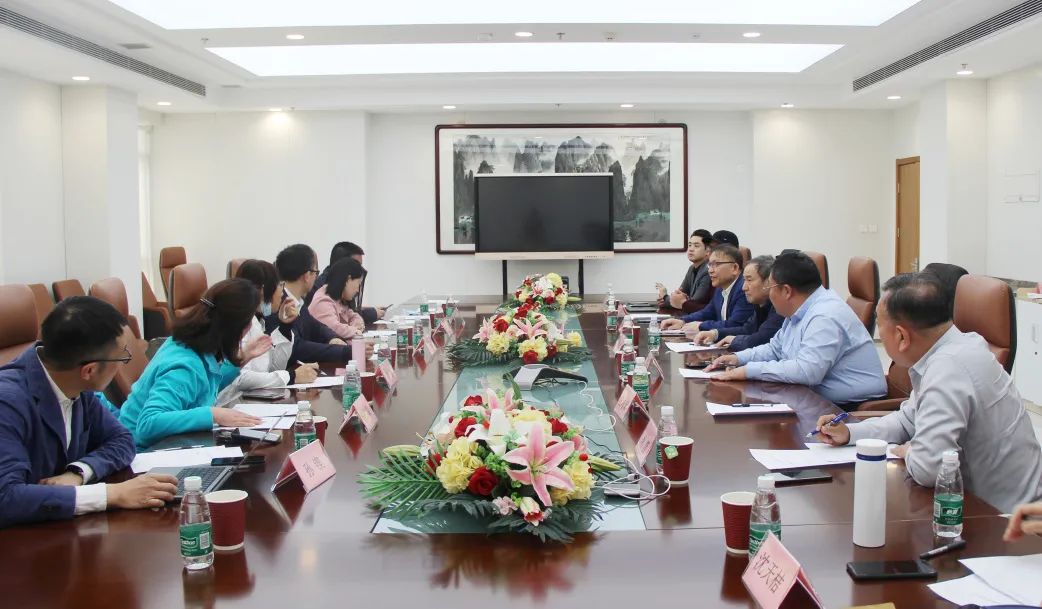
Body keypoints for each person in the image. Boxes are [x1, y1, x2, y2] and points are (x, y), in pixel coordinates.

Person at [814, 273, 1042, 514]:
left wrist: (910, 450)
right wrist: (850, 432)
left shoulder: (949, 368)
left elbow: (928, 468)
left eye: (880, 325)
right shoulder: (954, 349)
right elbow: (907, 420)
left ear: (902, 336)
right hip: (977, 503)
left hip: (1004, 519)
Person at [0, 297, 178, 527]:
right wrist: (112, 494)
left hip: (60, 527)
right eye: (122, 356)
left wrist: (78, 472)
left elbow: (122, 440)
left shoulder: (74, 384)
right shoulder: (7, 402)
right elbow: (6, 498)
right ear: (89, 371)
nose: (123, 363)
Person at [707, 251, 886, 407]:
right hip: (813, 399)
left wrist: (748, 371)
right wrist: (738, 358)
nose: (769, 294)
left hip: (848, 409)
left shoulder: (825, 315)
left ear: (787, 291)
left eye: (770, 287)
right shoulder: (799, 310)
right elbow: (775, 349)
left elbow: (807, 372)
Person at [118, 280, 271, 449]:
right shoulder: (184, 365)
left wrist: (241, 359)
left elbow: (201, 389)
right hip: (141, 453)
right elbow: (148, 423)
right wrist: (213, 415)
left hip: (170, 444)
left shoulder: (192, 344)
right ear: (235, 328)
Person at [215, 260, 320, 405]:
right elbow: (240, 378)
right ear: (263, 290)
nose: (282, 291)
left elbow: (273, 368)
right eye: (280, 285)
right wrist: (291, 376)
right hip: (233, 405)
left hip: (254, 402)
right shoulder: (239, 323)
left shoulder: (257, 320)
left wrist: (285, 327)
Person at [274, 243, 356, 364]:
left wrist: (332, 338)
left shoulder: (298, 301)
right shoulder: (279, 304)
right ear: (307, 275)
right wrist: (344, 352)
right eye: (316, 272)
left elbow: (316, 327)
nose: (316, 277)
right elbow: (297, 347)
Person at [692, 255, 784, 351]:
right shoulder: (759, 304)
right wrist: (715, 334)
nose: (744, 287)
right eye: (744, 280)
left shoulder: (779, 308)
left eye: (749, 280)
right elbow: (747, 330)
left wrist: (735, 340)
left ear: (769, 282)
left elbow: (760, 340)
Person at [661, 244, 754, 333]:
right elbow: (707, 312)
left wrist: (701, 326)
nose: (710, 270)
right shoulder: (720, 289)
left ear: (735, 268)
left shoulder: (744, 290)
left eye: (716, 264)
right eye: (710, 265)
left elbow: (735, 325)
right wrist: (683, 321)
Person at [308, 241, 384, 324]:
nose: (359, 269)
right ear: (343, 263)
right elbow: (338, 322)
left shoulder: (342, 284)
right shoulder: (322, 289)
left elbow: (349, 312)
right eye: (356, 264)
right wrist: (371, 314)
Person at [308, 258, 367, 340]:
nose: (357, 290)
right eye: (358, 284)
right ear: (348, 280)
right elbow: (334, 328)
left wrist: (355, 326)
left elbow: (354, 316)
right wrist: (355, 331)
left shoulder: (338, 298)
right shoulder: (323, 301)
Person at [658, 229, 713, 313]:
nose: (691, 249)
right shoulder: (691, 268)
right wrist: (669, 299)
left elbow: (693, 303)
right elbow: (679, 297)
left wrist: (665, 297)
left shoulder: (708, 271)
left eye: (696, 246)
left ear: (708, 251)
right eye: (690, 245)